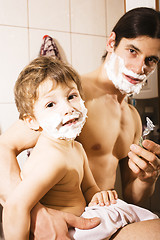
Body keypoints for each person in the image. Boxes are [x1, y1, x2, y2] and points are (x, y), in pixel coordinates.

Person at [0, 6, 160, 239]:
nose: (140, 68)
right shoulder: (70, 98)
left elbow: (132, 195)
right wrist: (37, 214)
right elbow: (4, 147)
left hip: (100, 221)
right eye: (132, 51)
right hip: (69, 226)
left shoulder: (132, 117)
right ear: (112, 42)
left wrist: (147, 178)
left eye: (151, 60)